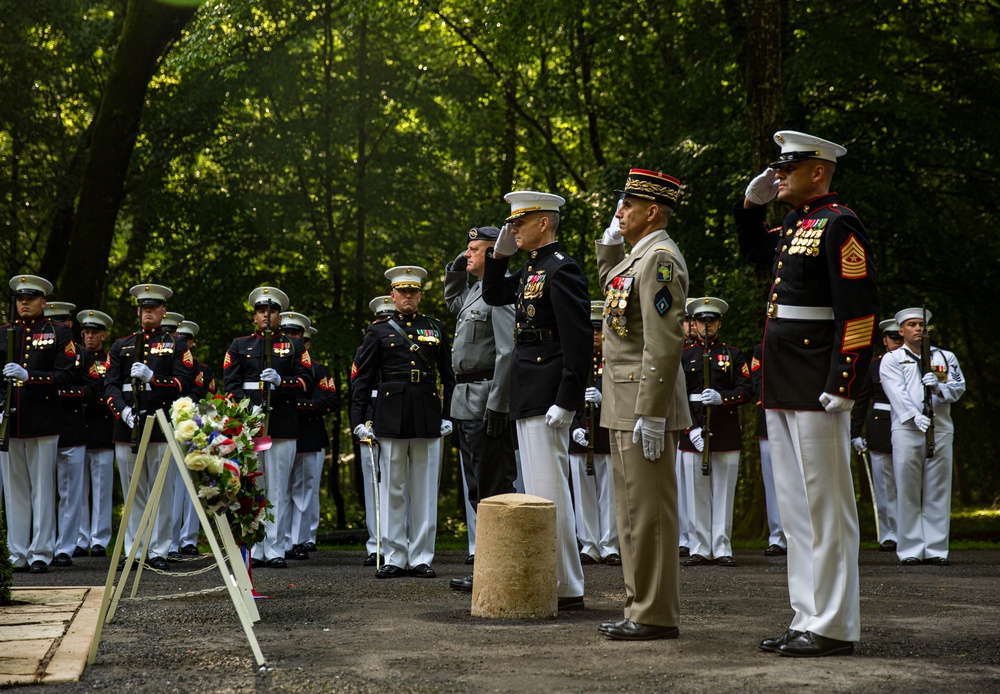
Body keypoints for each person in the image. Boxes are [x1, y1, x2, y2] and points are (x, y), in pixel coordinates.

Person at [736, 131, 879, 657]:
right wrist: (751, 206)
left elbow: (859, 312)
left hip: (819, 380)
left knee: (827, 505)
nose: (780, 175)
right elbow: (754, 249)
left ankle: (835, 622)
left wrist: (844, 384)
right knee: (796, 509)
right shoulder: (797, 222)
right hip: (783, 378)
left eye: (788, 168)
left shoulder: (839, 223)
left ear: (818, 170)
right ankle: (806, 615)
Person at [482, 191, 591, 610]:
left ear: (544, 223)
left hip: (549, 389)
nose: (513, 229)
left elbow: (577, 341)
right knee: (536, 491)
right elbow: (494, 294)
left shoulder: (562, 270)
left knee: (550, 492)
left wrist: (568, 397)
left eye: (519, 223)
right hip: (528, 385)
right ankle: (550, 577)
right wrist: (498, 255)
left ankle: (566, 584)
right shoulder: (532, 268)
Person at [594, 169, 690, 640]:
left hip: (641, 403)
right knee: (632, 512)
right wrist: (610, 242)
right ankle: (639, 606)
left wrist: (652, 411)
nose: (619, 212)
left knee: (649, 513)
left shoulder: (660, 258)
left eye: (627, 207)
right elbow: (612, 286)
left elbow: (665, 339)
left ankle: (653, 612)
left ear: (652, 211)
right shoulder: (637, 258)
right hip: (623, 399)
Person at [350, 267, 455, 579]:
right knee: (393, 489)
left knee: (424, 490)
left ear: (420, 295)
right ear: (392, 296)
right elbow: (362, 380)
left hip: (426, 415)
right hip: (390, 415)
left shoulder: (434, 329)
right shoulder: (378, 332)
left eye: (413, 292)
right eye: (402, 292)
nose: (407, 297)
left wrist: (447, 415)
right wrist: (358, 420)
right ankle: (395, 555)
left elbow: (449, 379)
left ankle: (422, 555)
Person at [444, 226, 518, 593]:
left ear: (492, 255)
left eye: (474, 249)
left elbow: (507, 351)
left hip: (487, 397)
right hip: (465, 400)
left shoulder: (499, 295)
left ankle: (498, 566)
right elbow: (452, 301)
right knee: (477, 489)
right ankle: (488, 565)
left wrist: (499, 404)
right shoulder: (476, 291)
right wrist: (456, 268)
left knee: (493, 487)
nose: (467, 253)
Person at [105, 283, 195, 571]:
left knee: (162, 490)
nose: (148, 312)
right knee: (133, 491)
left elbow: (185, 383)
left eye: (153, 308)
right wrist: (122, 411)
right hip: (127, 425)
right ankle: (134, 548)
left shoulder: (176, 344)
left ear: (163, 311)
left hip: (160, 426)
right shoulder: (121, 345)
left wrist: (154, 377)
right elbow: (109, 384)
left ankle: (159, 548)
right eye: (144, 307)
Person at [223, 287, 313, 568]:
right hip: (250, 426)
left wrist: (281, 382)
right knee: (255, 488)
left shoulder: (294, 345)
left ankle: (274, 548)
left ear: (279, 316)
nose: (266, 315)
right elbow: (231, 385)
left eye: (271, 311)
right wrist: (247, 411)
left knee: (278, 489)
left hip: (282, 425)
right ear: (255, 316)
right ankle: (255, 547)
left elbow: (306, 381)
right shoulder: (239, 345)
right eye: (262, 311)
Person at [1, 275, 76, 574]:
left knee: (43, 489)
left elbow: (67, 376)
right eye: (20, 299)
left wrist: (31, 376)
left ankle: (41, 552)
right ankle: (16, 552)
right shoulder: (5, 332)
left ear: (43, 302)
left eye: (30, 299)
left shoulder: (58, 333)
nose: (24, 303)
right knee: (14, 488)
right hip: (11, 420)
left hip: (43, 420)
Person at [880, 307, 965, 565]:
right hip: (908, 429)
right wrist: (913, 415)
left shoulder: (944, 357)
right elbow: (895, 392)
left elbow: (958, 388)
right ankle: (910, 550)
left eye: (921, 325)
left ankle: (937, 548)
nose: (918, 329)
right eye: (912, 325)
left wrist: (939, 388)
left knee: (938, 489)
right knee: (907, 489)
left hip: (939, 428)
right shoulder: (893, 359)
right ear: (901, 330)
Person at [679, 297, 751, 567]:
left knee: (723, 490)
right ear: (693, 324)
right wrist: (690, 428)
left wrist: (724, 398)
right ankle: (699, 546)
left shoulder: (732, 354)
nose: (706, 326)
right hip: (692, 432)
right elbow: (677, 396)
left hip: (725, 430)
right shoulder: (684, 355)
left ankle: (721, 546)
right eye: (700, 321)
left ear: (719, 323)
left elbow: (746, 389)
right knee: (695, 493)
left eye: (711, 321)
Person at [43, 301, 95, 567]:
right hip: (43, 427)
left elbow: (92, 388)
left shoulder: (83, 355)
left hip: (73, 429)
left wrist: (57, 391)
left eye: (60, 322)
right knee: (43, 492)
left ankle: (65, 546)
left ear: (69, 325)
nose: (55, 327)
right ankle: (45, 545)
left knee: (71, 493)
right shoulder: (39, 354)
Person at [569, 301, 620, 567]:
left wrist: (605, 398)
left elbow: (626, 397)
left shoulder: (614, 362)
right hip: (580, 436)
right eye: (591, 331)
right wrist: (574, 426)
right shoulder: (574, 361)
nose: (596, 336)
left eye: (599, 331)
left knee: (609, 493)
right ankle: (589, 544)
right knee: (584, 492)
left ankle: (610, 544)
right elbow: (563, 397)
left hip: (606, 435)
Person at [285, 315, 337, 558]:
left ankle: (300, 540)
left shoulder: (317, 369)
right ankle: (281, 540)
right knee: (280, 491)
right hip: (281, 432)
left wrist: (291, 404)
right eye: (288, 335)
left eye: (298, 337)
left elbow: (324, 402)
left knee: (305, 492)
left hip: (308, 435)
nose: (294, 341)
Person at [850, 319, 904, 552]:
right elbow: (861, 400)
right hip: (880, 426)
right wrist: (855, 432)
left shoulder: (916, 363)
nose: (896, 342)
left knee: (908, 484)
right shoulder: (874, 366)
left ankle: (908, 531)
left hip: (908, 424)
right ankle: (889, 533)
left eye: (900, 338)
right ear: (884, 340)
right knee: (883, 484)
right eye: (893, 338)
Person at [352, 295, 395, 567]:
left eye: (388, 318)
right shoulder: (364, 348)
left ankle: (399, 541)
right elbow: (360, 387)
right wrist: (360, 422)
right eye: (380, 319)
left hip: (396, 413)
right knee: (372, 486)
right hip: (371, 417)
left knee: (398, 484)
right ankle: (375, 544)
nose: (384, 323)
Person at [169, 319, 215, 559]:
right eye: (178, 339)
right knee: (171, 487)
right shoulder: (164, 368)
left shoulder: (202, 370)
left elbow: (205, 397)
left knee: (192, 485)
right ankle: (170, 539)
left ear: (192, 342)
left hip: (193, 430)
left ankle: (189, 538)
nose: (182, 343)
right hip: (167, 429)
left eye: (185, 340)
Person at [77, 309, 115, 558]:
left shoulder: (109, 360)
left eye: (94, 332)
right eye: (86, 332)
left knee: (101, 488)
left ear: (103, 335)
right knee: (77, 489)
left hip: (102, 430)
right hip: (79, 430)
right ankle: (80, 538)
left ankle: (99, 538)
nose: (89, 337)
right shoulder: (75, 359)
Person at [750, 343, 787, 556]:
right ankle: (778, 536)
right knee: (772, 481)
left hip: (800, 415)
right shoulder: (762, 349)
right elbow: (758, 379)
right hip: (770, 417)